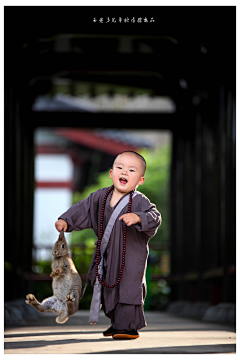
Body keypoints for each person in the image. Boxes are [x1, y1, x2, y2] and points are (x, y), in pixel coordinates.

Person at [55, 150, 161, 339]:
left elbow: (155, 217)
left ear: (140, 180)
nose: (124, 172)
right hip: (107, 254)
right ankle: (118, 323)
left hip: (131, 256)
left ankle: (128, 326)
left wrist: (138, 217)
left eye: (131, 170)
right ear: (111, 173)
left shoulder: (140, 201)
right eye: (119, 167)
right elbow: (83, 208)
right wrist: (66, 220)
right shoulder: (100, 197)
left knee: (128, 289)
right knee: (108, 289)